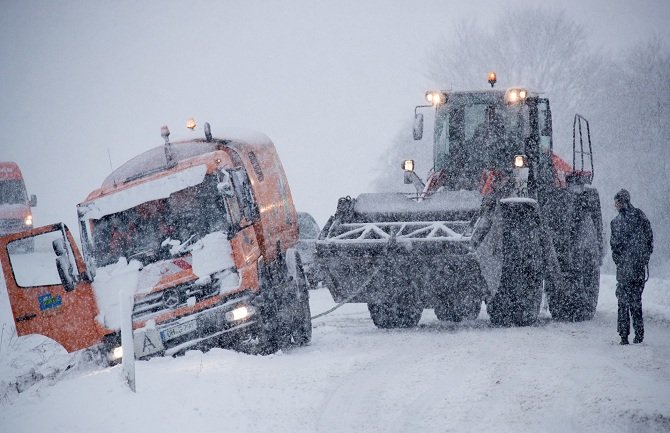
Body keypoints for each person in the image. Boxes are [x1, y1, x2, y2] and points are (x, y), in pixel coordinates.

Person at [610, 189, 653, 345]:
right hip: (638, 269)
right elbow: (649, 239)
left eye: (616, 202)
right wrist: (643, 258)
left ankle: (624, 335)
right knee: (636, 302)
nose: (615, 205)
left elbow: (614, 247)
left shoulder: (616, 222)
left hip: (624, 270)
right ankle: (639, 334)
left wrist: (620, 262)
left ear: (622, 202)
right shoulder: (641, 217)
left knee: (623, 302)